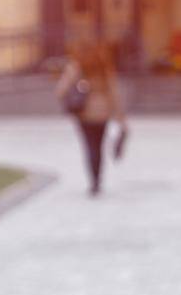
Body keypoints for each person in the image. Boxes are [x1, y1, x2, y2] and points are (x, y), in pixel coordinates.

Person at [55, 39, 128, 195]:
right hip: (103, 112)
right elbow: (114, 93)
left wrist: (72, 97)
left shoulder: (76, 67)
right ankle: (98, 180)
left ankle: (93, 182)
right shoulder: (104, 68)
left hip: (84, 113)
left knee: (89, 147)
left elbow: (60, 90)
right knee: (99, 147)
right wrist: (120, 117)